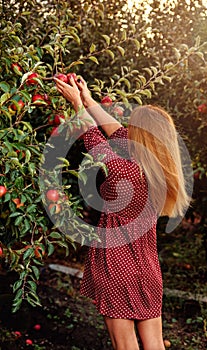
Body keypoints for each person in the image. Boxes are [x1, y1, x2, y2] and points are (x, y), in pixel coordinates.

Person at [54, 76, 190, 350]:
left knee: (125, 346)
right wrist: (90, 99)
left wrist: (77, 104)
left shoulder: (121, 170)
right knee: (154, 346)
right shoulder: (158, 171)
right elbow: (115, 132)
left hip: (116, 267)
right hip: (147, 269)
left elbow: (92, 136)